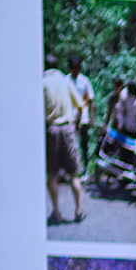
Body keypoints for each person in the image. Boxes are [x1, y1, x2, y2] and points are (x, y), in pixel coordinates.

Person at [42, 54, 86, 223]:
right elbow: (80, 105)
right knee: (73, 173)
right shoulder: (65, 81)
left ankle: (57, 212)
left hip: (51, 129)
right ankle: (79, 210)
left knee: (52, 175)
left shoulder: (42, 83)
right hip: (67, 128)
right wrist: (77, 124)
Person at [68, 54, 95, 169]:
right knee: (70, 145)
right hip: (70, 117)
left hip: (83, 117)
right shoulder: (66, 81)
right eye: (74, 67)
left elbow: (90, 100)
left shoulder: (84, 81)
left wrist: (91, 118)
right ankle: (71, 168)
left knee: (84, 144)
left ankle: (86, 167)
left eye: (78, 67)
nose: (76, 70)